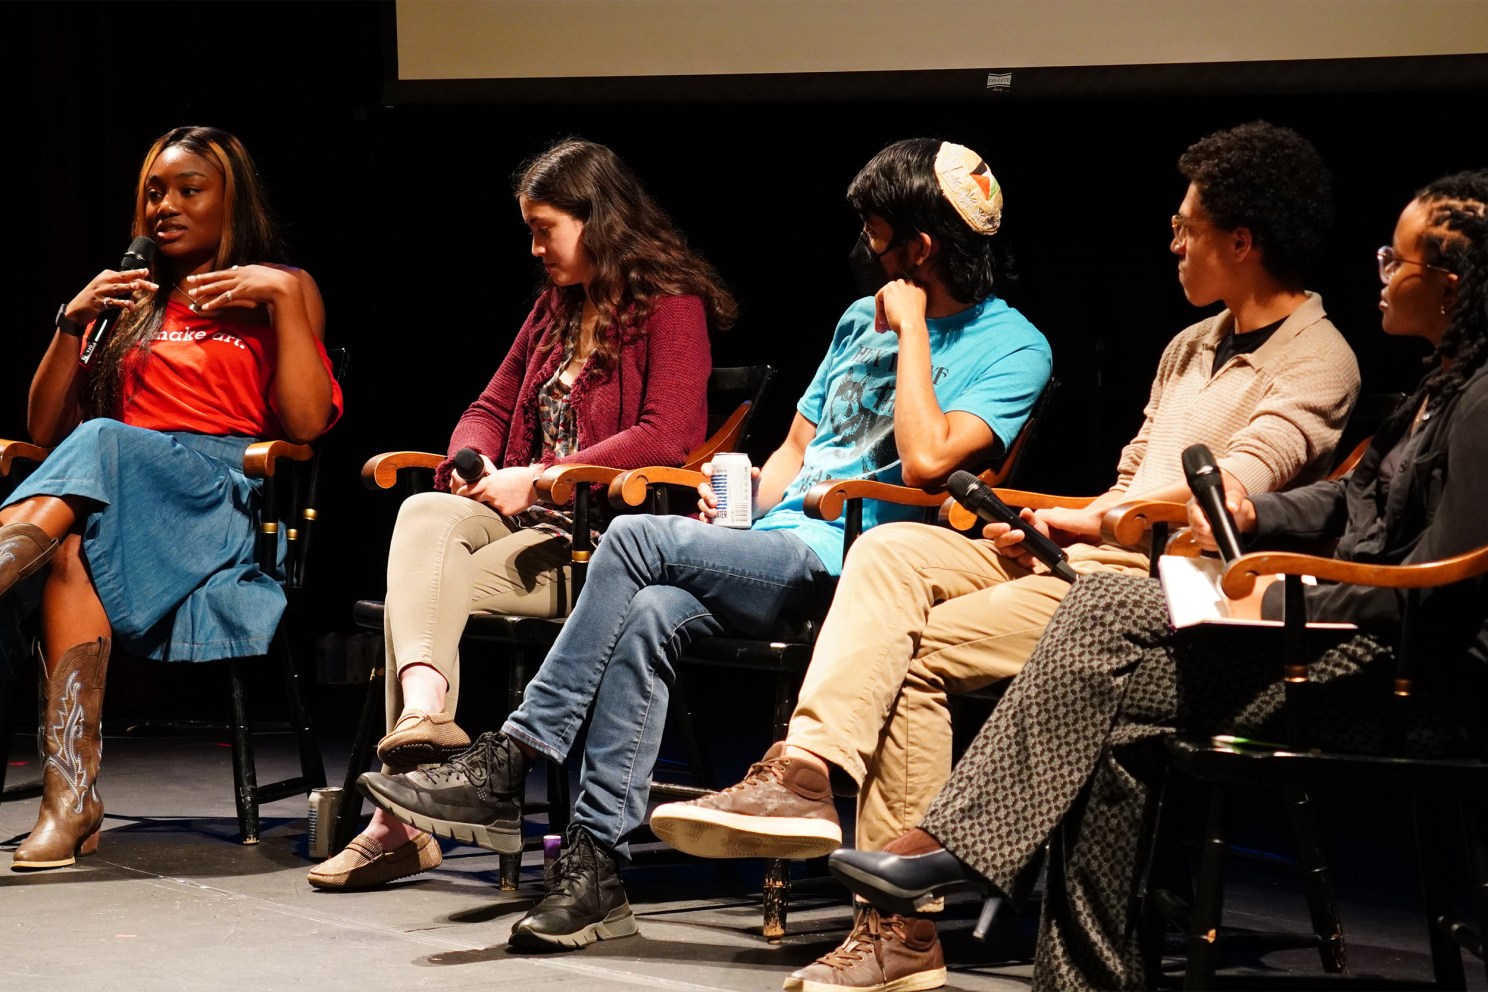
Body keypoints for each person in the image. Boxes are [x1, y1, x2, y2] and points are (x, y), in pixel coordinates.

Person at [648, 121, 1360, 992]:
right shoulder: (1188, 347)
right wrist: (1050, 522)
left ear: (1241, 241)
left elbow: (1227, 501)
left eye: (1187, 225)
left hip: (1164, 590)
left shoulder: (1320, 361)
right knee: (898, 548)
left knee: (910, 654)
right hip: (1095, 557)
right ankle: (805, 773)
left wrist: (1093, 525)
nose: (1172, 239)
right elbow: (1131, 479)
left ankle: (898, 933)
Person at [357, 138, 1054, 951]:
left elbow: (931, 457)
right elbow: (795, 456)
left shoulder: (1013, 346)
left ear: (919, 248)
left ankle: (512, 756)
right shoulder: (855, 320)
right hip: (771, 542)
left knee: (632, 540)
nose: (864, 250)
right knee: (649, 605)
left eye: (874, 232)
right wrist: (728, 501)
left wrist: (910, 335)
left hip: (850, 562)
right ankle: (596, 872)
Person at [828, 171, 1488, 992]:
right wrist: (1252, 516)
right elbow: (1349, 499)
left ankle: (955, 847)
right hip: (1332, 639)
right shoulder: (1438, 386)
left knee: (1105, 621)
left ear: (1453, 282)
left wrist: (1282, 596)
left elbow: (1442, 584)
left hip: (1399, 679)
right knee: (1109, 716)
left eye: (1399, 257)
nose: (1381, 269)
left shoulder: (1480, 399)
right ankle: (1073, 973)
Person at [306, 138, 732, 889]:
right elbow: (492, 405)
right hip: (524, 526)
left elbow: (669, 435)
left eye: (546, 228)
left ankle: (395, 822)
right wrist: (476, 458)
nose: (535, 247)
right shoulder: (553, 312)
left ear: (598, 220)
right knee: (429, 510)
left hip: (597, 546)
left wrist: (538, 479)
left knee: (422, 595)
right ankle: (423, 722)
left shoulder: (673, 309)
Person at [0, 126, 344, 870]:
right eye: (155, 190)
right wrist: (71, 320)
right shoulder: (130, 296)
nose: (166, 205)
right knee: (69, 550)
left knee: (99, 442)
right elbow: (40, 427)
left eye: (190, 189)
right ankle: (70, 798)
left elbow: (308, 424)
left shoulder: (278, 286)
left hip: (218, 495)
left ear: (231, 200)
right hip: (119, 497)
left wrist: (283, 301)